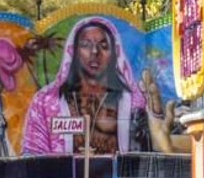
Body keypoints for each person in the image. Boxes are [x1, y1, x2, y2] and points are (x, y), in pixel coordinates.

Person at [20, 16, 144, 156]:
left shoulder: (133, 101)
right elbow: (32, 155)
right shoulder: (45, 101)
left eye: (104, 46)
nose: (95, 51)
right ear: (73, 51)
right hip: (61, 171)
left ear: (115, 53)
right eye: (85, 44)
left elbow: (146, 150)